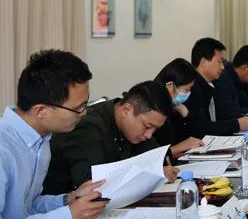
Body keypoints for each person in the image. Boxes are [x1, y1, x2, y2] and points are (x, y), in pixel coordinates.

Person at [0, 50, 107, 219]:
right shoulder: (3, 148)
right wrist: (68, 216)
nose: (84, 113)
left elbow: (27, 206)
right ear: (41, 110)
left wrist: (69, 199)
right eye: (78, 107)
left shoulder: (41, 140)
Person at [44, 81, 180, 195]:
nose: (149, 135)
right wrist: (150, 176)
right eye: (147, 126)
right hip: (61, 209)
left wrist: (156, 170)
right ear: (126, 110)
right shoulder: (88, 127)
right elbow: (95, 185)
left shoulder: (134, 129)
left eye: (155, 129)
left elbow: (155, 159)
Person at [184, 38, 248, 137]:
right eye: (219, 62)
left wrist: (242, 116)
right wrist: (237, 124)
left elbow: (220, 116)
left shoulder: (208, 84)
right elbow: (201, 128)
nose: (222, 67)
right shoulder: (192, 88)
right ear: (204, 62)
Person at [152, 58, 204, 159]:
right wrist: (180, 147)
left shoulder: (176, 105)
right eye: (187, 89)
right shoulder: (154, 109)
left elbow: (198, 134)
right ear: (171, 86)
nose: (188, 93)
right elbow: (154, 153)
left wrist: (186, 113)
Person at [214, 45, 248, 117]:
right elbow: (228, 112)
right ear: (245, 68)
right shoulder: (223, 80)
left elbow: (244, 103)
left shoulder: (238, 79)